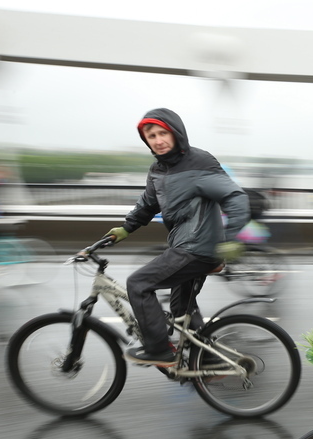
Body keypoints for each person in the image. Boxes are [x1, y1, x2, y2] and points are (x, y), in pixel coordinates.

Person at [105, 108, 250, 365]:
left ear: (176, 133)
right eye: (151, 135)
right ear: (145, 140)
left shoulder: (199, 163)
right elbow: (148, 204)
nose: (158, 140)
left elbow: (235, 197)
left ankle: (159, 349)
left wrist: (229, 239)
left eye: (163, 133)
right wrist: (126, 228)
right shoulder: (158, 170)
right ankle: (206, 359)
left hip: (197, 248)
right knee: (181, 308)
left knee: (138, 284)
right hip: (184, 245)